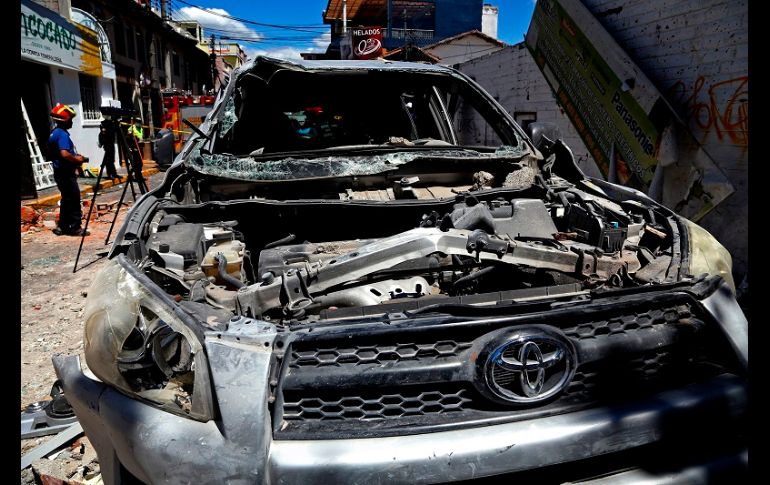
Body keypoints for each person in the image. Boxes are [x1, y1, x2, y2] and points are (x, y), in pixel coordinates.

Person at [47, 103, 89, 236]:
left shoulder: (54, 133)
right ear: (65, 121)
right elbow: (64, 154)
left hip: (60, 171)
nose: (72, 122)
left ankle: (63, 226)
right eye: (70, 120)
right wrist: (78, 160)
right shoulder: (62, 134)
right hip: (65, 172)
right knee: (74, 198)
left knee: (66, 199)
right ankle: (75, 227)